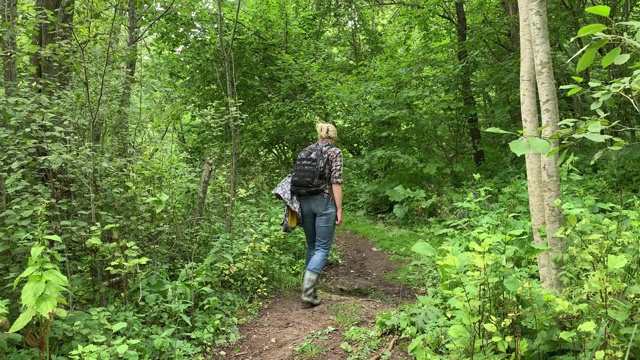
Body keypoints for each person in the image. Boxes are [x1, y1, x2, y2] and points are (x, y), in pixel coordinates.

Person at [300, 123, 343, 307]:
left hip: (304, 202)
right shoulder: (335, 153)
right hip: (324, 203)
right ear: (333, 138)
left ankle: (311, 290)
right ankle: (308, 293)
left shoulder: (306, 151)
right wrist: (339, 208)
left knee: (311, 245)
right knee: (322, 249)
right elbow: (336, 180)